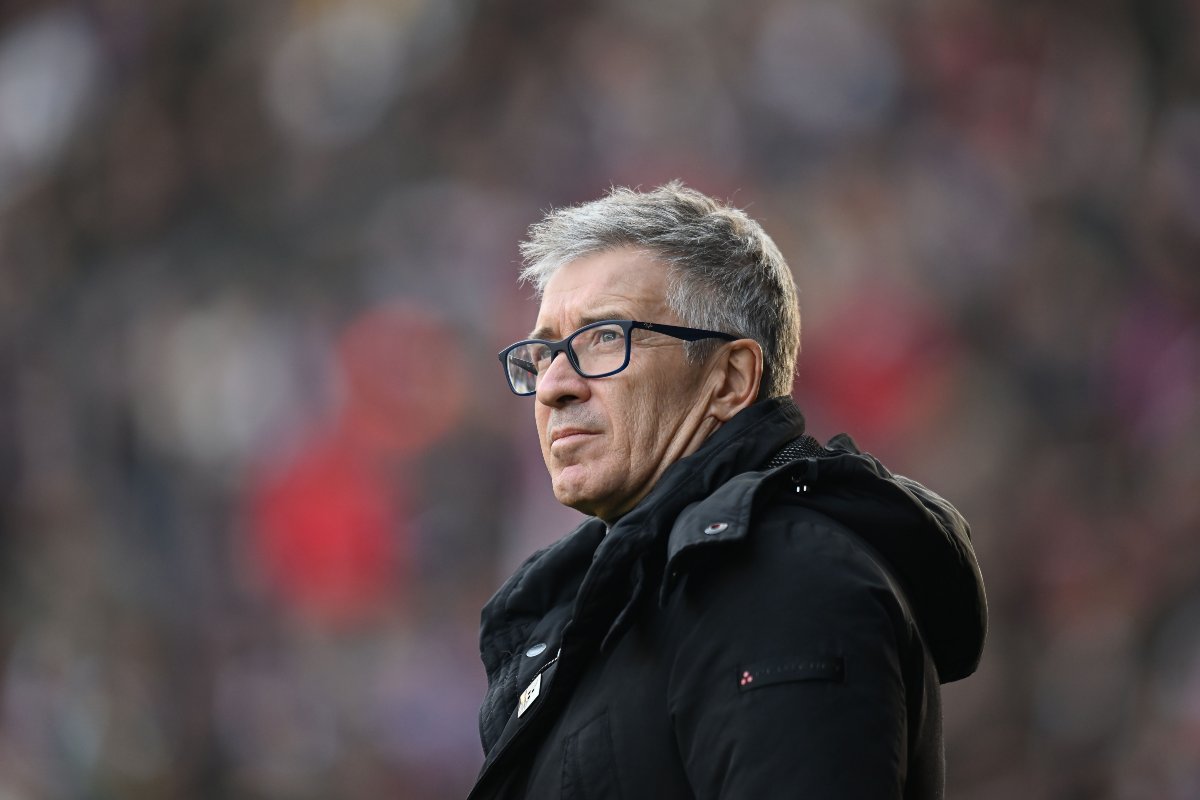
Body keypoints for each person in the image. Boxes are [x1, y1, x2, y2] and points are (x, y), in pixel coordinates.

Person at [470, 182, 987, 799]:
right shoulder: (625, 602)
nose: (554, 385)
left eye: (604, 337)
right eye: (544, 353)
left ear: (730, 379)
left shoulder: (784, 579)